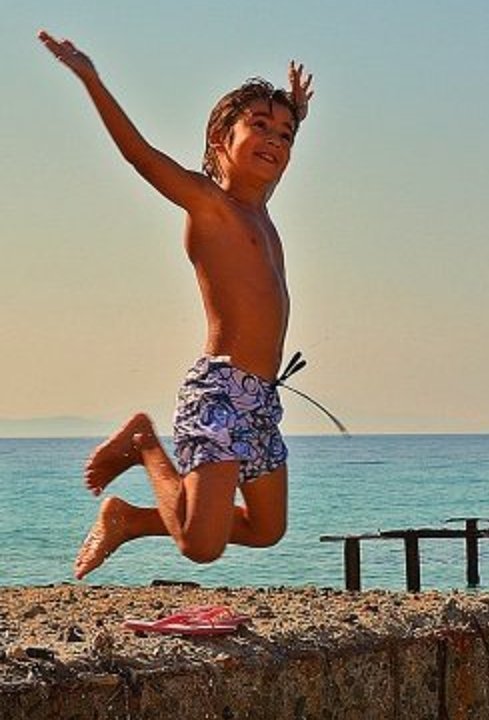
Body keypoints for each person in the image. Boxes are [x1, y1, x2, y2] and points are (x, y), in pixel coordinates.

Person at [38, 30, 315, 579]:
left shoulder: (259, 210)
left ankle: (129, 519)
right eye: (260, 126)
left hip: (262, 399)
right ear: (219, 138)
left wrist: (296, 113)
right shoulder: (208, 204)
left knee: (266, 530)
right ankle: (144, 442)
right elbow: (139, 155)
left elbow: (268, 157)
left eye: (285, 135)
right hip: (221, 391)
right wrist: (91, 77)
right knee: (199, 545)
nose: (275, 140)